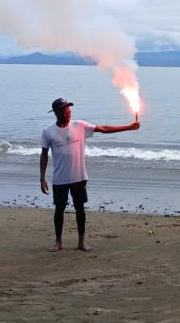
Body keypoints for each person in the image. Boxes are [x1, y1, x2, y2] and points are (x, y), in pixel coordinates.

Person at [40, 98, 139, 252]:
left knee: (80, 210)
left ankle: (81, 241)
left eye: (69, 110)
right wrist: (42, 178)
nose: (68, 113)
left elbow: (104, 129)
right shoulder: (48, 132)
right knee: (59, 211)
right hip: (59, 179)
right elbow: (44, 155)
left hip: (78, 177)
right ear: (57, 112)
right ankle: (58, 241)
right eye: (65, 111)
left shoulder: (79, 125)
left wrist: (128, 127)